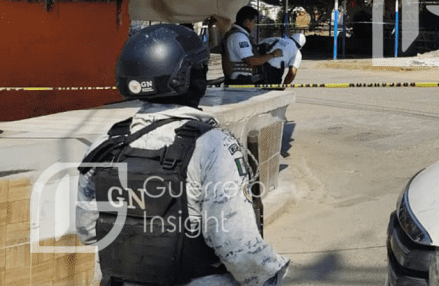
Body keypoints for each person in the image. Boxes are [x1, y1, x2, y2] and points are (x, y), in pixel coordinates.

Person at [76, 24, 289, 286]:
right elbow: (238, 246)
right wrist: (273, 274)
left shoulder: (105, 145)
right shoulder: (212, 145)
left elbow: (87, 231)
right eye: (200, 69)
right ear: (185, 77)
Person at [223, 6, 283, 85]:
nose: (254, 25)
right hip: (241, 81)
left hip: (241, 80)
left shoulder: (238, 35)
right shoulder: (239, 37)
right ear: (247, 21)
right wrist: (273, 55)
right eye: (254, 21)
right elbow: (251, 61)